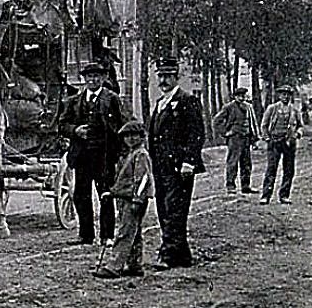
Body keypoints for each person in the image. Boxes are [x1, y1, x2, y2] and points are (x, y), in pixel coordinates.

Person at [146, 57, 206, 270]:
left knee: (175, 209)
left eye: (168, 76)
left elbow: (196, 133)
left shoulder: (186, 100)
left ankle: (169, 253)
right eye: (160, 76)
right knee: (163, 208)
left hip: (179, 167)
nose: (163, 80)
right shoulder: (159, 103)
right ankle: (182, 255)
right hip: (161, 167)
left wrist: (189, 161)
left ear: (176, 77)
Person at [57, 60, 125, 245]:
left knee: (106, 194)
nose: (93, 80)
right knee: (81, 194)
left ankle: (107, 235)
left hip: (104, 155)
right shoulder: (74, 101)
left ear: (103, 78)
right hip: (82, 156)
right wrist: (75, 131)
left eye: (96, 76)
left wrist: (119, 153)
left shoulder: (111, 99)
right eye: (89, 76)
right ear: (84, 79)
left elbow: (121, 125)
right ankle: (86, 234)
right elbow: (62, 125)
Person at [94, 120, 154, 279]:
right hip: (125, 198)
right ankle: (134, 264)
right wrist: (112, 192)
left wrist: (137, 200)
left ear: (142, 137)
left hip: (133, 200)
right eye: (127, 136)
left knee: (124, 233)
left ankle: (114, 266)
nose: (130, 139)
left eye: (134, 136)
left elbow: (143, 180)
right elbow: (124, 181)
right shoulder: (131, 154)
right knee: (134, 232)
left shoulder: (141, 154)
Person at [259, 86, 304, 205]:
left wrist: (298, 133)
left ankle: (284, 195)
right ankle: (266, 196)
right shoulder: (272, 108)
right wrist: (267, 138)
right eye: (283, 94)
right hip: (274, 142)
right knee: (271, 169)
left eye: (288, 94)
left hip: (289, 143)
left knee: (289, 169)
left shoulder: (294, 110)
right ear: (279, 96)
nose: (286, 96)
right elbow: (264, 125)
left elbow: (300, 125)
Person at [212, 86, 259, 195]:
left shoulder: (248, 107)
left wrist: (254, 138)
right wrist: (225, 133)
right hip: (235, 138)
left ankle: (246, 186)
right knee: (233, 162)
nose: (242, 98)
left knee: (247, 163)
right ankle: (230, 186)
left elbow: (252, 123)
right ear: (235, 96)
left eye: (243, 96)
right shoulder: (229, 107)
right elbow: (216, 121)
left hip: (246, 138)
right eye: (239, 96)